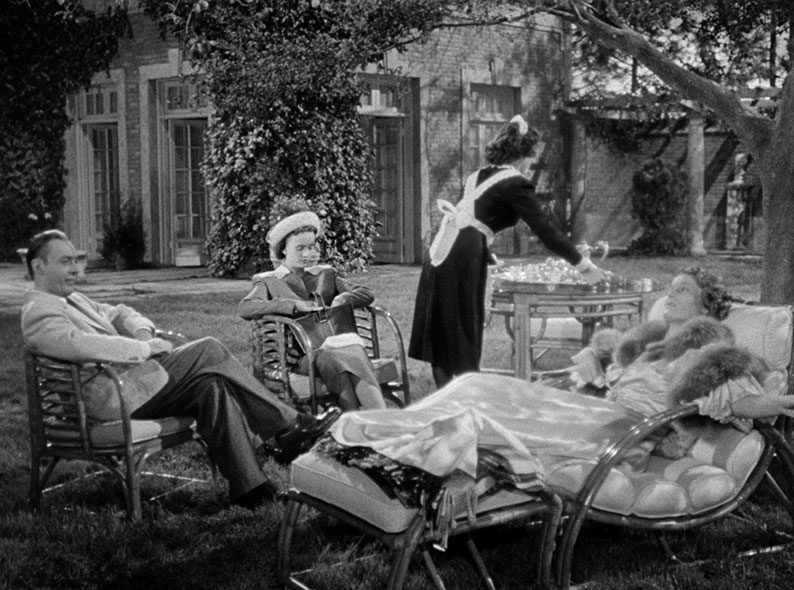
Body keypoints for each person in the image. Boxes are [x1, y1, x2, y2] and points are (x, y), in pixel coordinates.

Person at [21, 230, 341, 510]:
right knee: (208, 348)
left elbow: (120, 312)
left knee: (212, 386)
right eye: (65, 262)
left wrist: (143, 332)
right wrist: (144, 350)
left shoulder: (72, 299)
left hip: (129, 385)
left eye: (76, 260)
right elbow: (78, 344)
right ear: (39, 267)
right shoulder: (39, 312)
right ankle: (288, 427)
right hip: (111, 398)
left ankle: (251, 488)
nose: (76, 268)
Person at [409, 114, 605, 388]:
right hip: (461, 257)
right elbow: (547, 232)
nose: (531, 162)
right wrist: (584, 265)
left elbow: (472, 217)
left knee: (443, 335)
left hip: (442, 249)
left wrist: (486, 254)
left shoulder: (477, 175)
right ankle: (466, 402)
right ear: (523, 155)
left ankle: (448, 400)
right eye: (532, 155)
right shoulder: (515, 183)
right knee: (464, 332)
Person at [238, 211, 387, 411]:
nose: (307, 254)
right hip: (304, 355)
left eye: (311, 247)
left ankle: (363, 427)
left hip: (339, 346)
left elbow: (365, 293)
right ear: (283, 251)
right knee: (340, 355)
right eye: (300, 248)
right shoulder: (269, 281)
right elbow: (246, 307)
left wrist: (344, 298)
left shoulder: (326, 274)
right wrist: (292, 305)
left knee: (349, 353)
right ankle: (376, 426)